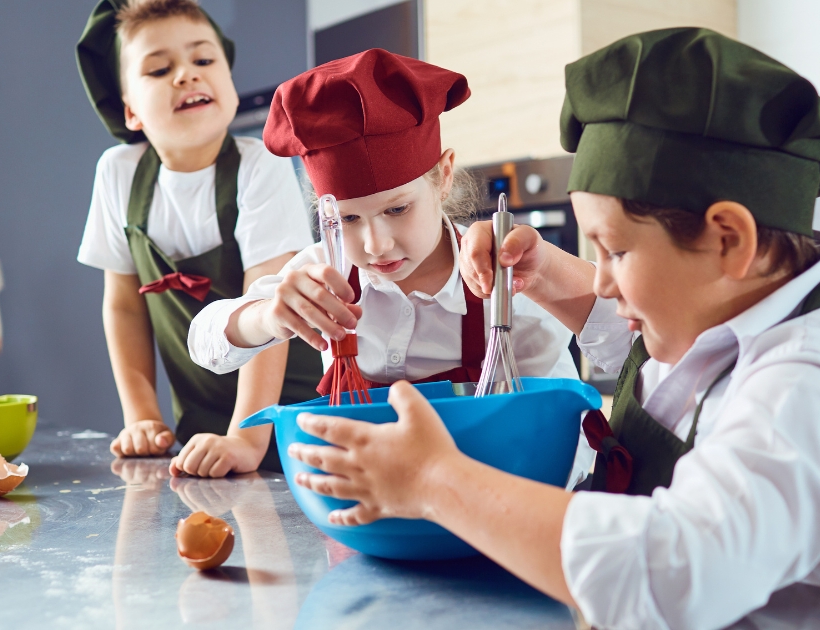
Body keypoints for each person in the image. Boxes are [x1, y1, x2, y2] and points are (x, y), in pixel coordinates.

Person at [283, 29, 820, 630]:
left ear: (729, 241)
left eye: (617, 252)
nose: (602, 282)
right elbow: (622, 328)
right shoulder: (721, 316)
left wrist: (436, 481)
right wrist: (543, 268)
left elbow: (677, 574)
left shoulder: (807, 383)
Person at [188, 49, 589, 485]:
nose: (376, 244)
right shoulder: (326, 267)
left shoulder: (506, 284)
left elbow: (560, 433)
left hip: (493, 502)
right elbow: (204, 342)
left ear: (445, 175)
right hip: (367, 509)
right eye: (349, 219)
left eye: (398, 209)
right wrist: (266, 316)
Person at [74, 0, 321, 476]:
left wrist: (246, 438)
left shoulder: (259, 164)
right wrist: (142, 415)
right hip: (205, 428)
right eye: (160, 68)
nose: (186, 75)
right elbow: (123, 305)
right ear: (130, 111)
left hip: (296, 417)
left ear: (228, 81)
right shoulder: (118, 174)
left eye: (203, 60)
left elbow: (267, 304)